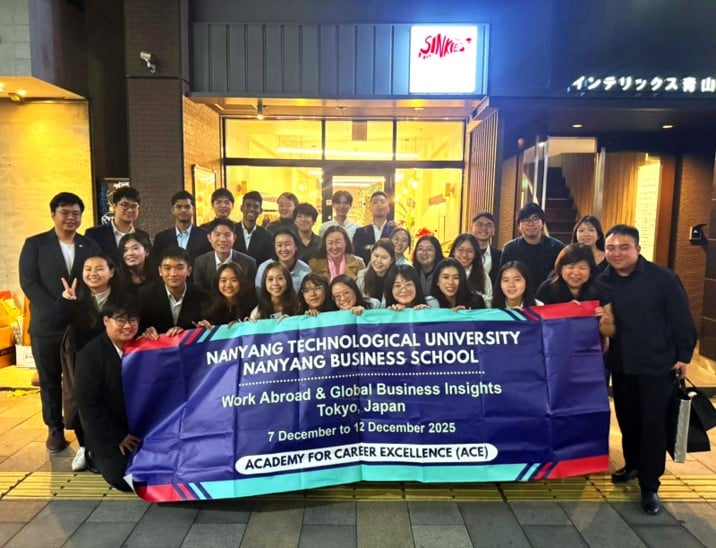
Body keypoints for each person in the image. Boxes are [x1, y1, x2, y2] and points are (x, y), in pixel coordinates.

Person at [599, 225, 697, 515]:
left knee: (653, 424)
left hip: (657, 364)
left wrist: (684, 355)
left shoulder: (662, 278)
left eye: (624, 247)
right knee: (628, 420)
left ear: (638, 249)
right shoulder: (602, 280)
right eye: (611, 248)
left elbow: (682, 318)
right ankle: (632, 465)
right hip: (622, 365)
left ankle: (650, 485)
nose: (616, 253)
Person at [19, 192, 101, 452]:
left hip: (80, 324)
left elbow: (95, 279)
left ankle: (83, 426)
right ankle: (54, 427)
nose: (70, 218)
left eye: (76, 213)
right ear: (53, 214)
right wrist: (59, 307)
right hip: (47, 325)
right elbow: (29, 283)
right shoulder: (35, 244)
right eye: (64, 212)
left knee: (81, 378)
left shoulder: (89, 246)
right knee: (49, 379)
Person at [55, 254, 123, 471]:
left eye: (99, 268)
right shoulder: (75, 296)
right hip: (79, 355)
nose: (93, 273)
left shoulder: (122, 296)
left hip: (111, 356)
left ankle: (106, 444)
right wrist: (66, 302)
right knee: (79, 400)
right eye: (88, 269)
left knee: (108, 398)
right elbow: (54, 324)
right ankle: (84, 446)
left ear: (111, 272)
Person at [75, 299, 142, 492]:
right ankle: (92, 456)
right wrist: (118, 436)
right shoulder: (90, 355)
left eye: (132, 320)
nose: (127, 326)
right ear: (106, 321)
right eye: (120, 320)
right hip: (110, 432)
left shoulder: (143, 347)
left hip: (139, 429)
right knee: (125, 479)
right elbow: (88, 404)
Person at [536, 243, 615, 337]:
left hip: (588, 344)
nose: (576, 272)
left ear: (590, 270)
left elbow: (610, 332)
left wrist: (604, 323)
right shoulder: (546, 289)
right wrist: (563, 312)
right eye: (571, 267)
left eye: (582, 268)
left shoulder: (600, 289)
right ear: (560, 268)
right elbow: (536, 327)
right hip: (554, 342)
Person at [138, 247, 209, 336]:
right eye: (167, 268)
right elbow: (139, 328)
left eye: (179, 268)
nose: (173, 274)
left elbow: (204, 326)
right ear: (160, 271)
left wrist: (203, 327)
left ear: (189, 270)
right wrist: (145, 332)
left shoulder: (202, 296)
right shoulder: (145, 295)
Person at [500, 203, 565, 293]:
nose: (530, 223)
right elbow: (502, 277)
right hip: (519, 296)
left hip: (549, 297)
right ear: (519, 225)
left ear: (542, 223)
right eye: (525, 220)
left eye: (535, 219)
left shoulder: (557, 248)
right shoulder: (510, 249)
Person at [85, 186, 151, 266]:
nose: (130, 210)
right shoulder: (94, 234)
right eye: (125, 205)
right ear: (114, 207)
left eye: (134, 206)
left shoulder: (144, 236)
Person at [193, 218, 257, 293]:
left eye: (227, 235)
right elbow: (199, 292)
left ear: (234, 237)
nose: (222, 239)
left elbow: (249, 293)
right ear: (209, 238)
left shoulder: (248, 263)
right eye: (217, 235)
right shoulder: (200, 262)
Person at [152, 190, 211, 267]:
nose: (183, 210)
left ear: (193, 210)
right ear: (173, 210)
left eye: (187, 207)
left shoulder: (205, 236)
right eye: (179, 207)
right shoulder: (161, 238)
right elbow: (156, 264)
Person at [255, 228, 312, 293]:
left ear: (296, 246)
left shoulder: (305, 270)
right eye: (279, 245)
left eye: (287, 244)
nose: (283, 249)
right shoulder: (264, 267)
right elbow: (259, 294)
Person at [449, 233, 493, 307]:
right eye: (460, 250)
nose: (464, 255)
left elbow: (489, 302)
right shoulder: (444, 271)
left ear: (475, 254)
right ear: (454, 251)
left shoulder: (482, 275)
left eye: (470, 251)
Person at [352, 191, 394, 264]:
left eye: (382, 202)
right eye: (375, 202)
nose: (379, 204)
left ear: (388, 208)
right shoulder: (360, 232)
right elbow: (356, 256)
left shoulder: (394, 231)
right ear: (370, 208)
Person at [234, 191, 274, 265]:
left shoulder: (268, 237)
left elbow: (268, 263)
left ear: (260, 211)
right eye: (248, 205)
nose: (252, 209)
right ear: (241, 208)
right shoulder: (231, 231)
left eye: (255, 207)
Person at [356, 238, 395, 303]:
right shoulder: (362, 276)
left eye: (384, 257)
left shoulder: (397, 278)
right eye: (376, 256)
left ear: (391, 260)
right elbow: (357, 301)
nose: (379, 261)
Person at [472, 211, 502, 285]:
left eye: (489, 225)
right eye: (479, 224)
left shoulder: (500, 255)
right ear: (472, 228)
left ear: (493, 231)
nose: (484, 228)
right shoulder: (464, 254)